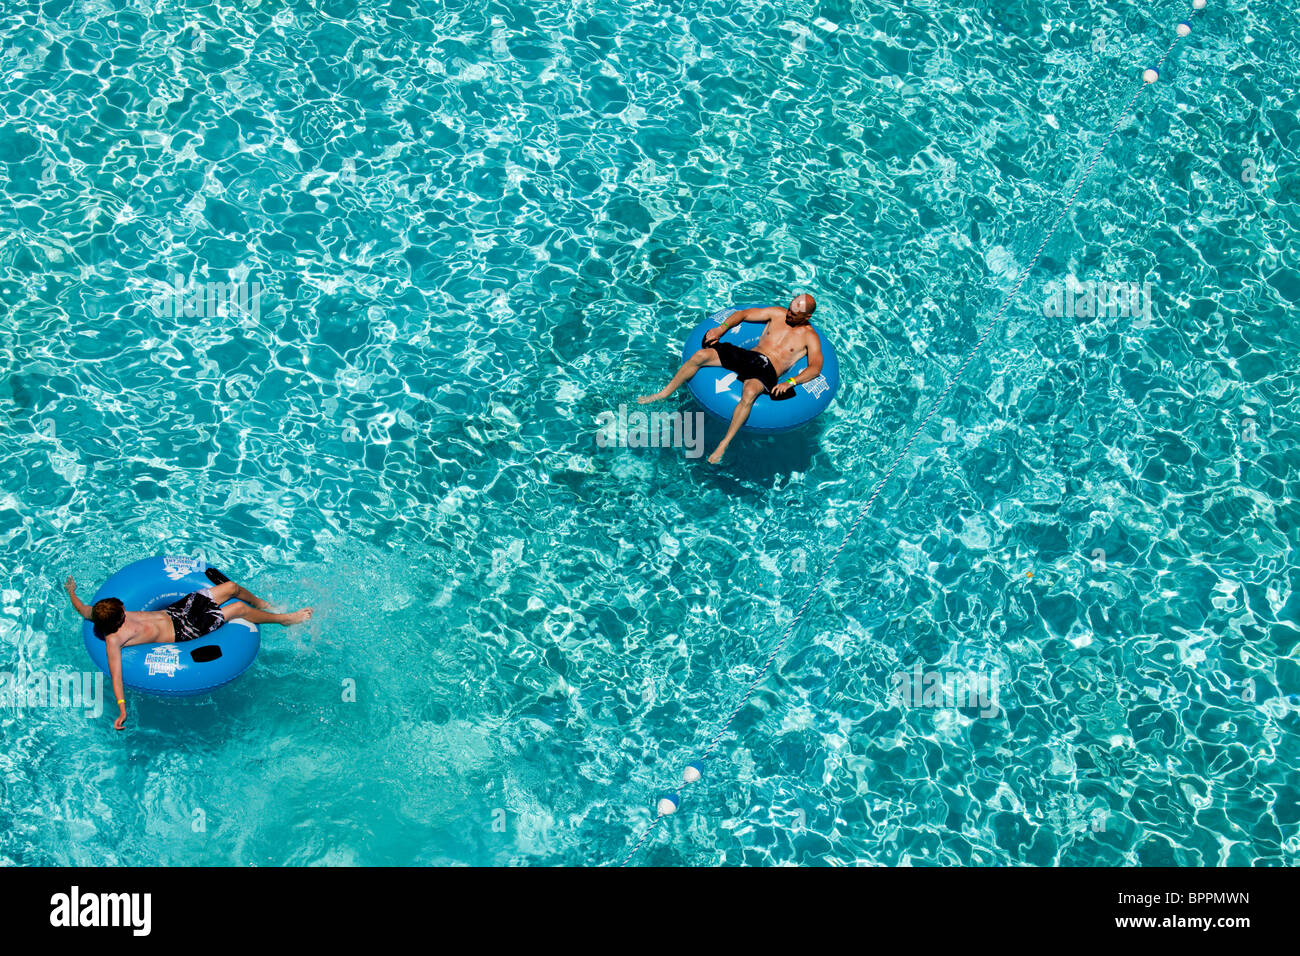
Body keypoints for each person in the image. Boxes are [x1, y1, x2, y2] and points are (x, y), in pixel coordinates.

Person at [65, 571, 312, 729]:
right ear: (117, 621)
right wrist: (121, 708)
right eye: (122, 611)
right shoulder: (114, 640)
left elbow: (82, 608)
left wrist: (72, 592)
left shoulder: (100, 612)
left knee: (232, 588)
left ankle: (261, 602)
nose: (124, 608)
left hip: (177, 610)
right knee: (236, 610)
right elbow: (116, 676)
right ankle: (283, 619)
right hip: (186, 629)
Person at [639, 293, 825, 463]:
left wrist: (790, 382)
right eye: (790, 309)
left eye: (794, 314)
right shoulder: (777, 313)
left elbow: (815, 368)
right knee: (700, 356)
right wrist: (721, 329)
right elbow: (743, 314)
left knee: (750, 392)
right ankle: (663, 394)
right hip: (747, 355)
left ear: (807, 317)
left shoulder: (810, 337)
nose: (789, 315)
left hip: (767, 369)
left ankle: (723, 444)